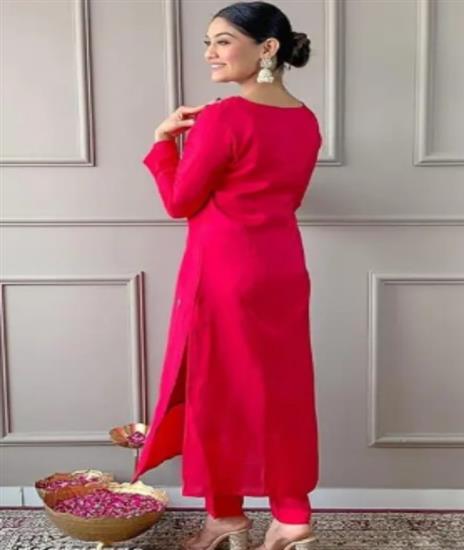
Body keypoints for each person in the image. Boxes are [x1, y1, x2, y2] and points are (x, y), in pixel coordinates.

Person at [132, 2, 323, 549]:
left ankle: (225, 517)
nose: (210, 54)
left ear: (267, 48)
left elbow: (179, 202)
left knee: (217, 393)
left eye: (222, 41)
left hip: (223, 270)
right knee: (282, 391)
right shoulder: (306, 119)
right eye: (207, 43)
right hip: (283, 268)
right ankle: (292, 517)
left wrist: (163, 142)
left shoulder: (223, 117)